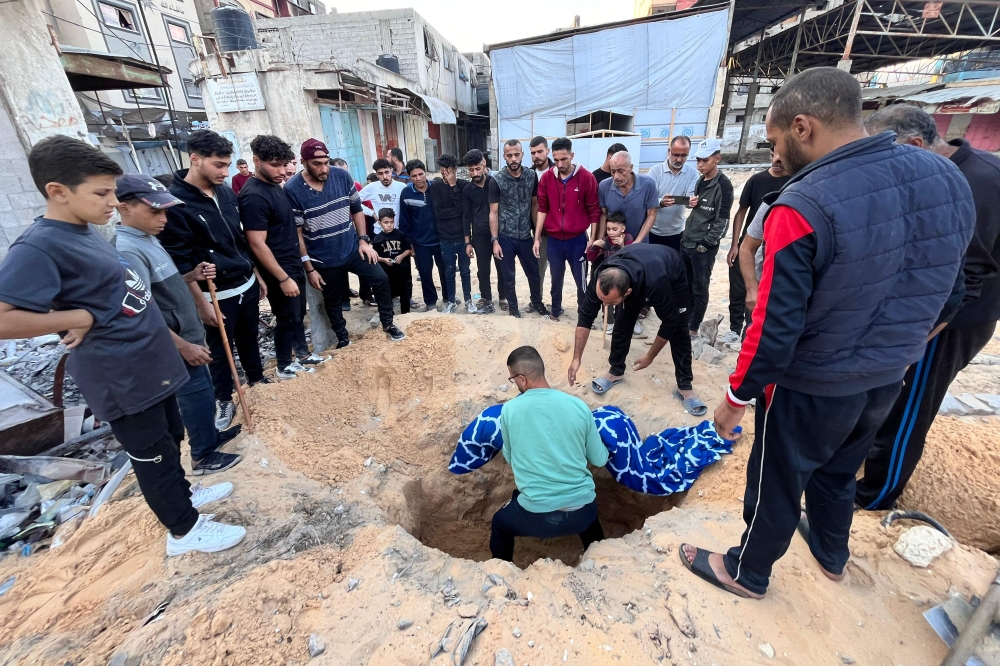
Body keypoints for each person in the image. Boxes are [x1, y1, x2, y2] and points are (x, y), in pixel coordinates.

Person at [681, 67, 975, 600]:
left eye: (775, 142)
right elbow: (954, 289)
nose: (776, 155)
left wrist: (734, 399)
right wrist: (906, 347)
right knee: (839, 470)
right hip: (887, 376)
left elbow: (775, 325)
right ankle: (831, 554)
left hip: (811, 381)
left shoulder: (803, 203)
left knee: (776, 478)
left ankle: (747, 571)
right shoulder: (944, 177)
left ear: (803, 127)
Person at [0, 135, 245, 556]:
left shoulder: (85, 231)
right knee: (152, 454)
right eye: (102, 193)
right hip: (121, 375)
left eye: (113, 192)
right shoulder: (40, 245)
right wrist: (74, 319)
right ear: (58, 191)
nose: (113, 202)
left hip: (150, 363)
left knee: (171, 437)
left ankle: (184, 496)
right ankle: (183, 531)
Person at [855, 105, 1000, 510]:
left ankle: (874, 494)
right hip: (922, 309)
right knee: (888, 396)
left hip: (949, 321)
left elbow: (966, 280)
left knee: (910, 404)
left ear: (915, 145)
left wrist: (912, 342)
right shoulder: (941, 175)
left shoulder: (978, 183)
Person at [114, 174, 244, 476]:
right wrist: (183, 346)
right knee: (193, 397)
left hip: (188, 333)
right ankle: (202, 456)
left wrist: (192, 276)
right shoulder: (128, 250)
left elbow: (163, 284)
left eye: (165, 211)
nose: (164, 219)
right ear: (124, 208)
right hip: (175, 344)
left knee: (204, 392)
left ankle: (210, 437)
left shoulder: (147, 239)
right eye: (154, 211)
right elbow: (142, 310)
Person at [161, 130, 268, 432]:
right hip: (214, 294)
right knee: (220, 351)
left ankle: (258, 381)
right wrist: (202, 304)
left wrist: (255, 274)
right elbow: (181, 261)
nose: (225, 172)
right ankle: (224, 398)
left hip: (245, 283)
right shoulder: (175, 203)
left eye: (228, 165)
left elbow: (239, 239)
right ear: (195, 159)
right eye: (218, 165)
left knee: (249, 339)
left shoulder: (225, 192)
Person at [488, 346, 608, 562]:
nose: (514, 383)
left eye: (513, 379)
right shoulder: (579, 406)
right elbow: (600, 459)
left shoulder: (510, 410)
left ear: (522, 379)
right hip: (582, 514)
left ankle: (502, 570)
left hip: (535, 517)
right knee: (591, 521)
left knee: (500, 523)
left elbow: (510, 458)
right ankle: (599, 560)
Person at [285, 138, 407, 344]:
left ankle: (388, 323)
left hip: (353, 249)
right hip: (323, 258)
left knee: (380, 279)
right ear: (303, 162)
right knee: (333, 300)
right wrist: (309, 268)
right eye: (317, 164)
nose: (324, 168)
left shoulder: (341, 176)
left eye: (326, 162)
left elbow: (356, 209)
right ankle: (343, 338)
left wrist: (363, 240)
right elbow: (296, 233)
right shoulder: (292, 189)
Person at [570, 244, 703, 414]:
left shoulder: (656, 282)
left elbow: (669, 321)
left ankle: (685, 386)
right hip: (639, 266)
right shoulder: (601, 274)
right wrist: (576, 358)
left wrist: (650, 356)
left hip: (670, 270)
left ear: (627, 292)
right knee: (623, 321)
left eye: (611, 302)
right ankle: (616, 371)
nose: (605, 305)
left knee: (679, 328)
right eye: (602, 300)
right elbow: (585, 317)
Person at [239, 135, 316, 381]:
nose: (282, 171)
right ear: (256, 161)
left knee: (296, 314)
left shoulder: (273, 186)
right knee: (286, 317)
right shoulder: (254, 196)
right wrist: (282, 278)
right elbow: (256, 243)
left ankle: (301, 356)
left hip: (291, 262)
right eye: (275, 165)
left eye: (284, 165)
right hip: (278, 269)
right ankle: (284, 365)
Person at [722, 148, 789, 343]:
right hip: (748, 244)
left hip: (773, 247)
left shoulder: (793, 182)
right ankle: (734, 329)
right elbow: (741, 212)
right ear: (770, 154)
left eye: (782, 155)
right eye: (774, 155)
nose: (777, 160)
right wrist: (735, 244)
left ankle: (750, 331)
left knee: (760, 292)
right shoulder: (756, 180)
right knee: (738, 288)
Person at [534, 137, 600, 321]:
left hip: (577, 239)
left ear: (572, 155)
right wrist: (537, 237)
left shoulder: (587, 177)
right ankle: (555, 311)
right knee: (555, 278)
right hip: (554, 240)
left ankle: (584, 314)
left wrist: (592, 239)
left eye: (564, 159)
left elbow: (594, 210)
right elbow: (542, 208)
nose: (560, 164)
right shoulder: (547, 178)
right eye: (556, 160)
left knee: (581, 280)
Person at [681, 138, 733, 337]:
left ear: (717, 158)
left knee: (700, 287)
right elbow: (698, 211)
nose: (700, 165)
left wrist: (706, 244)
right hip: (688, 240)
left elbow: (723, 220)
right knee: (686, 285)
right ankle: (686, 322)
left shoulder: (724, 185)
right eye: (698, 160)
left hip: (703, 246)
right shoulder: (700, 181)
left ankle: (693, 328)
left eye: (705, 160)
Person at [490, 140, 547, 318]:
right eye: (509, 155)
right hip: (505, 236)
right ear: (504, 157)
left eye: (516, 155)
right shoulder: (497, 180)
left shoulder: (531, 176)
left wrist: (536, 235)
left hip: (525, 235)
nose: (513, 159)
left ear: (522, 155)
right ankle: (513, 308)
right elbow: (493, 213)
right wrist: (495, 241)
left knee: (534, 273)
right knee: (508, 276)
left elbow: (535, 205)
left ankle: (537, 302)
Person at [398, 159, 447, 312]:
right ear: (409, 177)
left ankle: (448, 297)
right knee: (425, 274)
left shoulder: (437, 188)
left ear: (425, 173)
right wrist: (409, 244)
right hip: (420, 243)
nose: (418, 178)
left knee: (446, 270)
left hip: (440, 240)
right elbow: (404, 221)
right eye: (414, 176)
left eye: (421, 174)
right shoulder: (406, 193)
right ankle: (430, 301)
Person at [429, 152, 475, 313]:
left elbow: (465, 211)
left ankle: (468, 300)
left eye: (448, 169)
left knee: (465, 271)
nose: (445, 173)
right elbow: (438, 213)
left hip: (462, 236)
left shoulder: (463, 185)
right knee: (448, 271)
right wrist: (456, 211)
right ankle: (451, 300)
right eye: (442, 169)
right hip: (445, 237)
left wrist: (453, 185)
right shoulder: (435, 187)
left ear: (455, 169)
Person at [463, 148, 506, 314]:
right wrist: (467, 242)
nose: (475, 173)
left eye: (478, 168)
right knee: (483, 270)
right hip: (479, 236)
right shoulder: (468, 190)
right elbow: (466, 217)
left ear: (484, 164)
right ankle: (486, 298)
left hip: (499, 234)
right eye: (471, 170)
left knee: (502, 267)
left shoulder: (495, 183)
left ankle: (503, 297)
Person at [646, 135, 698, 251]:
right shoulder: (655, 171)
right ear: (669, 151)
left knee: (674, 261)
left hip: (677, 232)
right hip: (653, 230)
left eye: (683, 156)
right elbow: (647, 199)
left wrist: (691, 202)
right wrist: (661, 202)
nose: (679, 159)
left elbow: (690, 200)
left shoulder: (692, 173)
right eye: (676, 155)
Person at [585, 211, 633, 330]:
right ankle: (608, 322)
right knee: (607, 299)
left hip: (623, 276)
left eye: (614, 229)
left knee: (621, 300)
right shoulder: (605, 241)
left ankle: (621, 322)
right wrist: (594, 246)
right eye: (608, 229)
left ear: (622, 229)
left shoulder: (627, 238)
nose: (611, 232)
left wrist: (622, 246)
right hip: (608, 276)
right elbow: (590, 258)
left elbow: (631, 257)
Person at [598, 151, 658, 244]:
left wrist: (637, 242)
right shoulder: (604, 186)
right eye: (613, 171)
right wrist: (601, 240)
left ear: (631, 167)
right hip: (612, 246)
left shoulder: (648, 184)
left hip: (639, 244)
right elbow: (603, 214)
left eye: (620, 171)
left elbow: (651, 214)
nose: (616, 177)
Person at [529, 136, 555, 311]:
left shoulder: (557, 171)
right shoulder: (529, 175)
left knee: (557, 271)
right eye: (533, 153)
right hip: (539, 233)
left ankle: (556, 303)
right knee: (538, 269)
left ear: (547, 151)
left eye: (540, 151)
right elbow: (532, 205)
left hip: (559, 231)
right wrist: (536, 233)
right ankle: (536, 301)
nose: (536, 156)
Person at [372, 208, 413, 315]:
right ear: (380, 223)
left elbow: (408, 249)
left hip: (401, 270)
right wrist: (384, 260)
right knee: (388, 293)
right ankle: (390, 314)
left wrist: (401, 256)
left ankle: (406, 313)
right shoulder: (378, 239)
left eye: (391, 222)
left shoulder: (400, 234)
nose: (389, 225)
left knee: (404, 293)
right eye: (386, 222)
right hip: (387, 271)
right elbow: (375, 256)